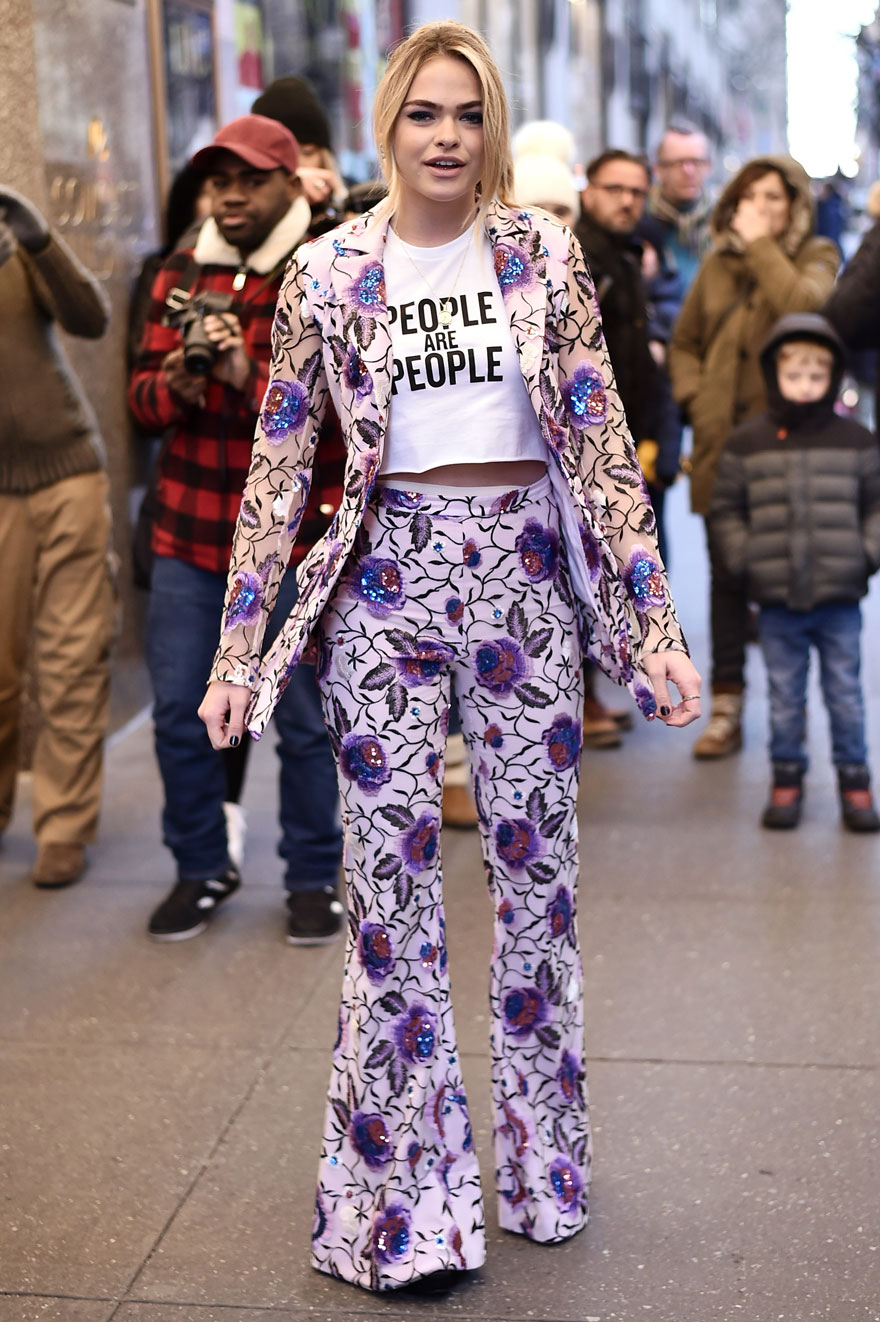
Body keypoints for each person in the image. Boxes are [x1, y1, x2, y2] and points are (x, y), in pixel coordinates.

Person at [199, 21, 700, 1293]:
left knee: (538, 888)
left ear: (491, 129)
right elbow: (276, 471)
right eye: (424, 112)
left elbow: (599, 440)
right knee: (391, 903)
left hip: (525, 580)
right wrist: (238, 652)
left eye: (468, 114)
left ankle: (540, 1169)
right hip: (383, 585)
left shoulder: (541, 253)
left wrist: (652, 623)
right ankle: (407, 1208)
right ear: (388, 123)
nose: (446, 136)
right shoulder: (325, 272)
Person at [128, 114, 345, 944]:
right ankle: (201, 867)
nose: (232, 196)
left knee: (304, 724)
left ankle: (313, 878)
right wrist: (181, 382)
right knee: (178, 714)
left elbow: (338, 420)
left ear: (291, 181)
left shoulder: (325, 267)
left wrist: (243, 372)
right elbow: (140, 403)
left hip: (291, 543)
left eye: (251, 180)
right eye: (221, 181)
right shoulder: (180, 270)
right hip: (188, 536)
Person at [668, 155, 839, 759]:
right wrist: (696, 397)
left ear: (794, 205)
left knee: (786, 582)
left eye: (774, 197)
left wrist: (763, 246)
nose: (761, 207)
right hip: (721, 448)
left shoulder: (817, 254)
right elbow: (685, 343)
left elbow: (804, 308)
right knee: (726, 580)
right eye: (750, 196)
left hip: (788, 453)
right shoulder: (717, 264)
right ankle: (725, 707)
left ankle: (793, 715)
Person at [710, 314, 880, 831]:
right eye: (794, 375)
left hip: (839, 599)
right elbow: (726, 509)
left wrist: (866, 553)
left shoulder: (857, 440)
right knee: (785, 698)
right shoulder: (747, 442)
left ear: (832, 376)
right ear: (774, 374)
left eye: (816, 375)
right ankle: (786, 778)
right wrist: (744, 562)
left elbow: (876, 504)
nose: (805, 385)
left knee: (846, 695)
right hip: (777, 601)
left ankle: (855, 781)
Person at [0, 184, 113, 889]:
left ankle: (65, 825)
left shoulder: (18, 250)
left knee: (72, 659)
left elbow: (91, 318)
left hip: (68, 473)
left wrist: (38, 238)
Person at [575, 150, 675, 745]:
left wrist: (655, 433)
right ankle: (582, 697)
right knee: (585, 576)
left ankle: (599, 689)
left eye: (636, 191)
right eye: (614, 189)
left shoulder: (629, 255)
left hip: (630, 436)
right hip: (587, 445)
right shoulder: (577, 255)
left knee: (622, 571)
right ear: (588, 190)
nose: (627, 201)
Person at [646, 119, 713, 294]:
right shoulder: (639, 219)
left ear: (709, 167)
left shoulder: (725, 221)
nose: (688, 171)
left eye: (696, 162)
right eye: (678, 163)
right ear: (658, 170)